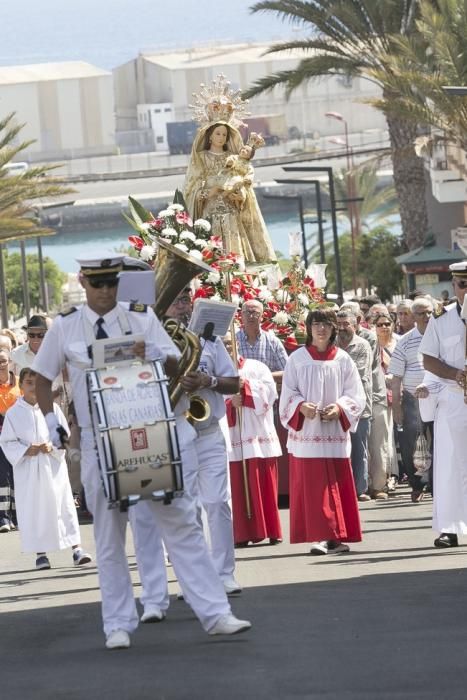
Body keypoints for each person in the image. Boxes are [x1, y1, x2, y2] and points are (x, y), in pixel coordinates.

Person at [32, 254, 251, 649]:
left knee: (181, 521)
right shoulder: (66, 326)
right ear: (84, 283)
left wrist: (151, 355)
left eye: (111, 284)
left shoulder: (140, 317)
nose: (104, 292)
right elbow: (43, 376)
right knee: (109, 534)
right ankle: (117, 623)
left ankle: (216, 613)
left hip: (147, 431)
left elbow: (173, 359)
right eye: (97, 285)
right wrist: (51, 421)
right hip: (99, 440)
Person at [279, 307, 365, 556]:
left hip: (334, 433)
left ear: (333, 328)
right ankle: (321, 536)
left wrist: (340, 408)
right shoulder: (297, 359)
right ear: (308, 328)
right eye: (316, 324)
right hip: (307, 434)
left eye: (326, 324)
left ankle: (334, 537)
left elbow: (356, 395)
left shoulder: (343, 359)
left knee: (335, 485)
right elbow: (288, 394)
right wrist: (300, 406)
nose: (321, 328)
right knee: (313, 487)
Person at [0, 368, 91, 570]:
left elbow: (63, 434)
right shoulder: (14, 413)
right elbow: (6, 442)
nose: (33, 387)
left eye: (36, 382)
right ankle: (41, 554)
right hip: (29, 470)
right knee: (35, 509)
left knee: (63, 505)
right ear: (21, 385)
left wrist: (53, 445)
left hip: (53, 466)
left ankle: (76, 549)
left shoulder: (52, 408)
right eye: (28, 383)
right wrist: (26, 450)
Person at [184, 76, 276, 263]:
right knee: (213, 255)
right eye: (218, 133)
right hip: (209, 214)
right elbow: (191, 188)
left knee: (235, 255)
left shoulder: (233, 158)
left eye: (225, 134)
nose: (221, 137)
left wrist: (239, 194)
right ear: (209, 135)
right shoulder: (201, 157)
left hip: (232, 213)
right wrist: (208, 193)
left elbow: (243, 181)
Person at [419, 261, 467, 548]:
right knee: (450, 465)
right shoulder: (441, 319)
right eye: (463, 284)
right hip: (453, 397)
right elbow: (428, 358)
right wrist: (456, 374)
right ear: (454, 286)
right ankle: (449, 527)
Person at [224, 334, 283, 547]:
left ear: (237, 344)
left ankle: (272, 529)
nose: (227, 348)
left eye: (229, 344)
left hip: (258, 436)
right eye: (222, 345)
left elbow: (271, 394)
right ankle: (242, 533)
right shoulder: (214, 373)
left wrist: (246, 387)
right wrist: (231, 403)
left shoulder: (257, 367)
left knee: (264, 485)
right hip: (234, 437)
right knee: (238, 489)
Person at [389, 297, 434, 502]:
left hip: (437, 396)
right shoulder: (405, 341)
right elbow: (396, 378)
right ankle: (417, 485)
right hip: (412, 398)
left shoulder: (440, 335)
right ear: (413, 317)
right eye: (421, 313)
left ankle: (434, 484)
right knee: (410, 443)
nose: (426, 316)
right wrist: (397, 408)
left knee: (437, 440)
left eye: (429, 312)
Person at [336, 310, 372, 501]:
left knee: (359, 449)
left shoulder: (362, 345)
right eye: (339, 324)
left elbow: (357, 372)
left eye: (345, 324)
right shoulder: (331, 343)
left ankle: (360, 489)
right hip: (336, 405)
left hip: (359, 406)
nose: (342, 328)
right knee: (340, 449)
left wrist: (332, 372)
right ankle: (342, 489)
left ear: (355, 324)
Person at [0, 345, 21, 532]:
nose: (1, 365)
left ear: (9, 363)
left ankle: (16, 516)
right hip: (0, 438)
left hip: (19, 437)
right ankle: (3, 519)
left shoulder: (20, 383)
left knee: (17, 477)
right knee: (2, 478)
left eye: (3, 361)